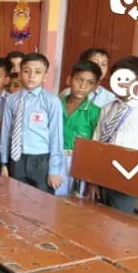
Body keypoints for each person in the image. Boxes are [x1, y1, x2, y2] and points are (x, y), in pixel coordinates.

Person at [92, 55, 138, 212]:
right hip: (104, 168)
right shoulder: (107, 108)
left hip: (128, 171)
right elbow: (97, 138)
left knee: (120, 213)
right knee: (98, 211)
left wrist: (134, 159)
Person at [0, 52, 63, 193]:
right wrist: (4, 162)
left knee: (42, 200)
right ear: (20, 73)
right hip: (17, 158)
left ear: (45, 76)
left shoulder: (52, 101)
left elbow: (56, 136)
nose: (31, 76)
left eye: (38, 72)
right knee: (16, 199)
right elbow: (5, 132)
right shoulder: (11, 100)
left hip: (41, 160)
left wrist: (54, 170)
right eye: (26, 71)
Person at [56, 61, 102, 196]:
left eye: (90, 83)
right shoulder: (55, 104)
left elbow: (96, 147)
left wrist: (92, 181)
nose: (83, 86)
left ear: (95, 87)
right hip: (53, 158)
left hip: (79, 162)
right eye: (79, 80)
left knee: (74, 200)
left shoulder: (95, 112)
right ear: (69, 80)